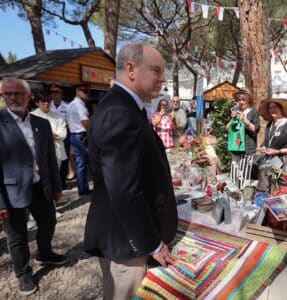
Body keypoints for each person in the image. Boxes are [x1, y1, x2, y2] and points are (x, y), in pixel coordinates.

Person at [84, 43, 178, 299]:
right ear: (131, 69)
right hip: (127, 241)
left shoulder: (128, 106)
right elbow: (123, 190)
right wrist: (152, 243)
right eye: (156, 71)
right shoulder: (118, 111)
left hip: (131, 234)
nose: (162, 79)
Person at [0, 78, 67, 296]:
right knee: (17, 237)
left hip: (42, 187)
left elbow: (49, 158)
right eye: (7, 94)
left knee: (48, 223)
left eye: (17, 93)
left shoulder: (41, 123)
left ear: (29, 96)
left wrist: (57, 187)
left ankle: (45, 253)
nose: (11, 98)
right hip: (12, 192)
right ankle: (23, 273)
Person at [257, 98, 287, 193]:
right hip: (268, 160)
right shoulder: (270, 124)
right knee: (266, 186)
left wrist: (277, 151)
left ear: (281, 108)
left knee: (279, 188)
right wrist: (263, 147)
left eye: (275, 107)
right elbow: (267, 142)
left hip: (282, 162)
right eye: (270, 107)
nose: (272, 109)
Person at [226, 88, 260, 189]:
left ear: (248, 99)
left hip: (247, 149)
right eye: (239, 99)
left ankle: (243, 199)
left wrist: (246, 121)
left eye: (243, 99)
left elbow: (255, 129)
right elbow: (227, 129)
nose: (241, 102)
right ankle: (233, 197)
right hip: (236, 148)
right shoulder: (236, 112)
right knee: (234, 175)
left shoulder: (253, 111)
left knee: (244, 177)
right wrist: (233, 118)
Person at [31, 91, 67, 168]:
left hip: (56, 152)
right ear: (37, 103)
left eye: (48, 101)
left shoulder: (59, 116)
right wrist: (51, 135)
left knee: (56, 175)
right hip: (40, 152)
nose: (46, 104)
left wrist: (47, 135)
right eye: (43, 101)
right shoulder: (31, 116)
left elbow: (63, 134)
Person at [67, 84, 90, 196]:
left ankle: (82, 188)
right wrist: (92, 132)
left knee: (80, 163)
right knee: (89, 161)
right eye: (85, 92)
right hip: (82, 135)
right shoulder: (79, 106)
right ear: (78, 92)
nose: (87, 94)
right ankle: (85, 188)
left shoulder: (70, 105)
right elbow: (84, 121)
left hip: (74, 135)